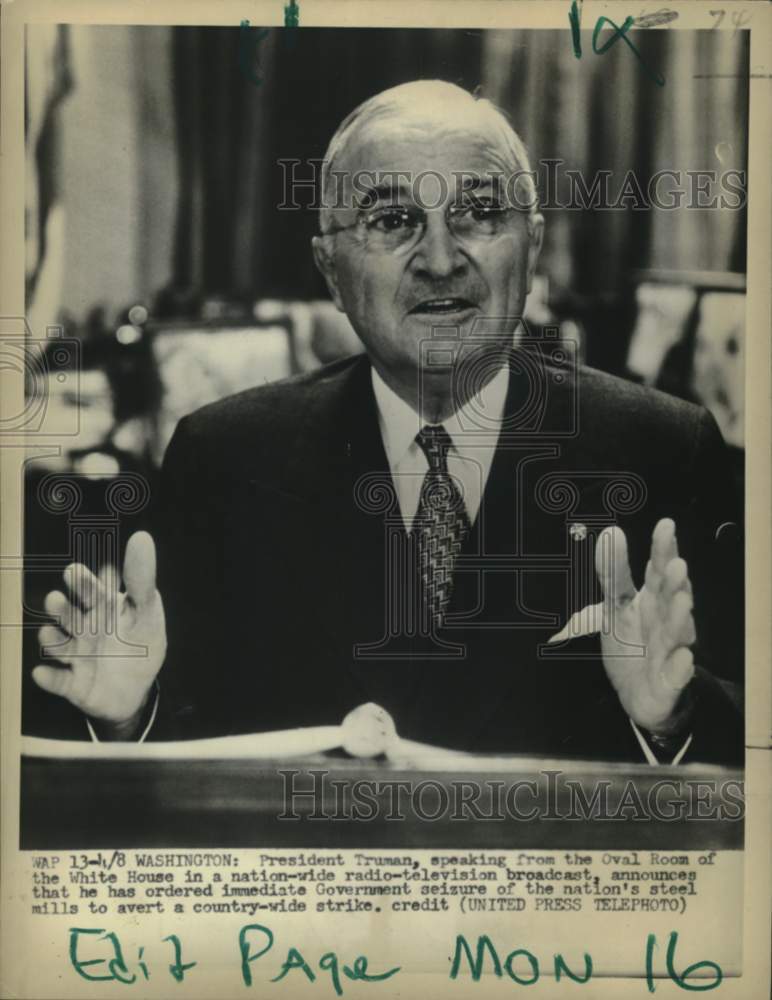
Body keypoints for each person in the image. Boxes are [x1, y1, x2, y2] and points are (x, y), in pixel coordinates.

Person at [31, 81, 742, 763]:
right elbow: (191, 739)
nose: (438, 259)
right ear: (332, 271)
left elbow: (748, 742)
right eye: (393, 221)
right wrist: (126, 717)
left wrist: (672, 720)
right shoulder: (224, 459)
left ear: (531, 250)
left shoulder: (665, 451)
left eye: (480, 212)